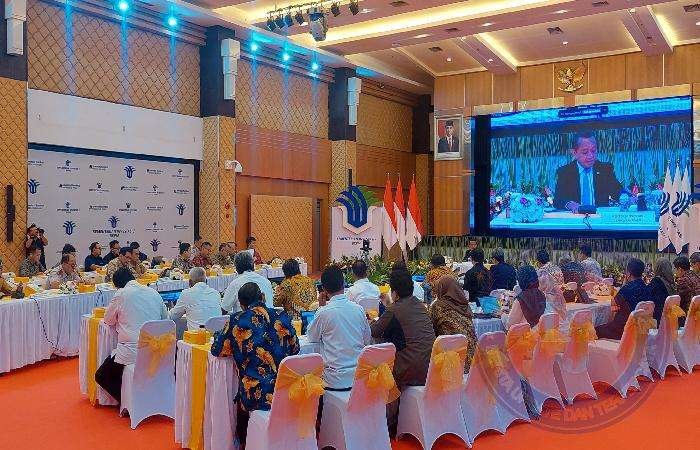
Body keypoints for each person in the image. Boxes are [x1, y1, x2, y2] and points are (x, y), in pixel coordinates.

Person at [211, 282, 299, 448]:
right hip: (286, 389)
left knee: (241, 395)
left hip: (255, 394)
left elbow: (217, 350)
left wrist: (219, 336)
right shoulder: (282, 317)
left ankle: (246, 441)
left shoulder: (237, 320)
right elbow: (295, 349)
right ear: (263, 297)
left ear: (241, 305)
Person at [371, 268, 435, 435]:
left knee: (380, 370)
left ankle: (387, 422)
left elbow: (375, 331)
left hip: (412, 367)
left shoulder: (394, 309)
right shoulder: (420, 305)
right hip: (431, 365)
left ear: (394, 292)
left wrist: (383, 310)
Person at [95, 268, 168, 402]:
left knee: (101, 375)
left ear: (118, 285)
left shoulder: (121, 294)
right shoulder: (153, 292)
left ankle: (130, 402)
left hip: (132, 351)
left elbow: (108, 320)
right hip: (156, 349)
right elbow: (165, 318)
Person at [307, 265, 371, 391]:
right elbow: (367, 340)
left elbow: (311, 337)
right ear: (344, 284)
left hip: (334, 380)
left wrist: (321, 307)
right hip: (359, 376)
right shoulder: (358, 309)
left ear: (324, 289)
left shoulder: (324, 312)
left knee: (308, 376)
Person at [553, 133, 622, 212]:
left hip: (599, 216)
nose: (590, 156)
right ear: (574, 153)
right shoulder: (565, 172)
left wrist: (626, 197)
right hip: (575, 217)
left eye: (593, 151)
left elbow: (618, 192)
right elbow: (557, 200)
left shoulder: (605, 169)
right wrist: (569, 204)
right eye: (585, 152)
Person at [429, 275, 477, 373]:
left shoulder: (438, 306)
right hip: (473, 358)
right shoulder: (465, 305)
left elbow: (430, 329)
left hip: (452, 360)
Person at [595, 258, 651, 340]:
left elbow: (614, 306)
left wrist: (624, 285)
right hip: (640, 330)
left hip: (622, 330)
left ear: (629, 273)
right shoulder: (646, 288)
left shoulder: (627, 289)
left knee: (593, 331)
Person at [505, 265, 547, 329]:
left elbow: (510, 325)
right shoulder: (542, 294)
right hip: (540, 331)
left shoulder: (521, 299)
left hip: (526, 333)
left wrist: (503, 315)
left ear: (520, 280)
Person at [648, 258, 676, 323]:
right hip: (670, 318)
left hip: (659, 319)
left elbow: (647, 296)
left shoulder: (657, 281)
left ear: (657, 268)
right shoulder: (671, 282)